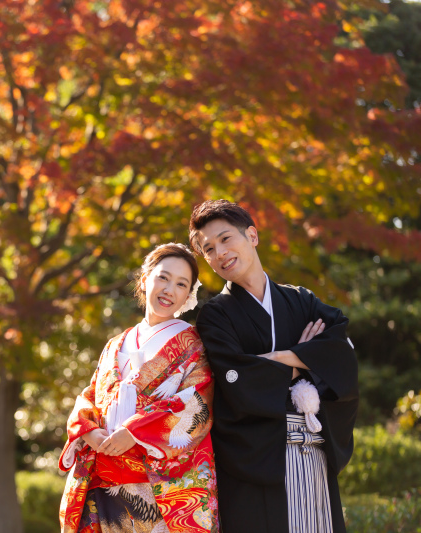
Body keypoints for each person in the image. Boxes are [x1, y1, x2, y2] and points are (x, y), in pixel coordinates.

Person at [189, 200, 358, 533]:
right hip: (256, 464)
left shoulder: (300, 300)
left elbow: (342, 354)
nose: (219, 252)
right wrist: (308, 356)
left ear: (252, 235)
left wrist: (279, 358)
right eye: (208, 249)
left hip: (313, 450)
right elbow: (237, 380)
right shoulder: (216, 315)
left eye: (225, 239)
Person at [58, 243, 219, 533]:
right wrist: (89, 430)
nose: (169, 289)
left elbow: (197, 405)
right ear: (145, 279)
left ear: (188, 295)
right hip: (101, 483)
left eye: (181, 284)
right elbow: (91, 396)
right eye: (163, 277)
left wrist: (134, 432)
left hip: (154, 489)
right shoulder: (115, 344)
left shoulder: (193, 345)